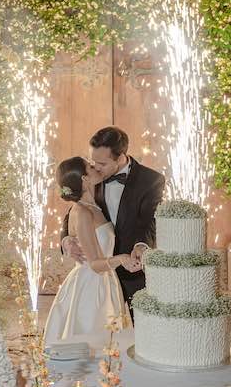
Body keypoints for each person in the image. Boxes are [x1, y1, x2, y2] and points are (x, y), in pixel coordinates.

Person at [60, 126, 165, 322]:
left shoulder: (151, 180)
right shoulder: (91, 177)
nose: (96, 167)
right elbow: (73, 213)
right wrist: (66, 239)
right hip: (95, 278)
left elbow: (151, 221)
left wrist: (141, 247)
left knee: (140, 334)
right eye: (93, 162)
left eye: (102, 163)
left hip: (133, 274)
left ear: (120, 157)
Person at [43, 156, 134, 341]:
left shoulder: (94, 206)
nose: (95, 167)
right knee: (93, 339)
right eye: (90, 166)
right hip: (91, 286)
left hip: (107, 280)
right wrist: (122, 259)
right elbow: (93, 264)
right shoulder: (82, 212)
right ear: (85, 179)